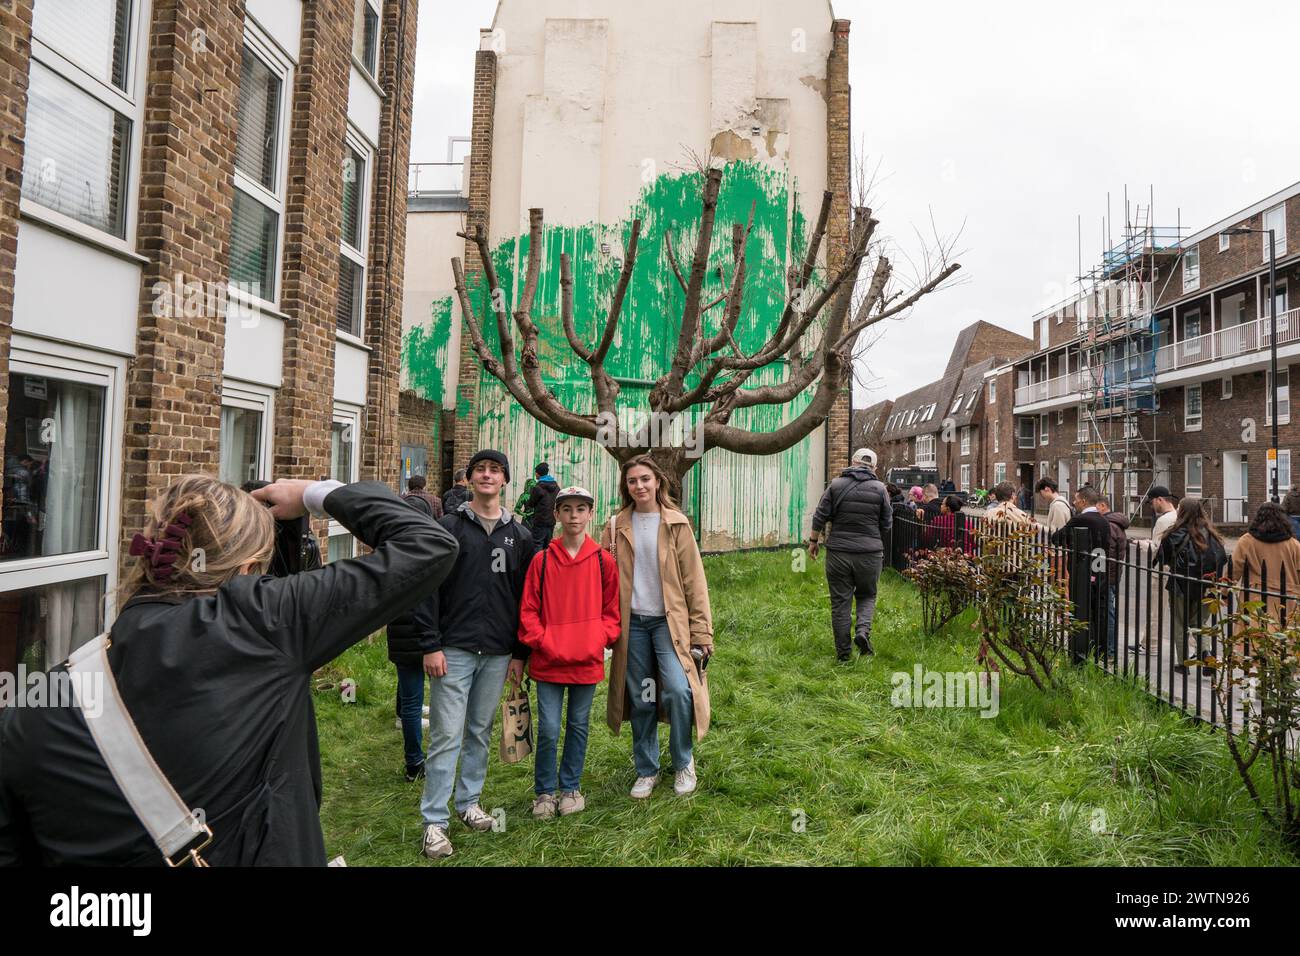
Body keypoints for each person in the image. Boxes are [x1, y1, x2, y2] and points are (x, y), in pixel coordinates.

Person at [0, 475, 458, 865]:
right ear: (247, 568)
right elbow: (429, 546)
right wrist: (317, 492)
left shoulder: (32, 707)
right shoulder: (258, 624)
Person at [419, 450, 532, 860]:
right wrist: (430, 643)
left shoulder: (518, 536)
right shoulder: (447, 528)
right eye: (480, 470)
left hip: (499, 651)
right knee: (447, 734)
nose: (487, 475)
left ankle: (468, 803)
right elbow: (426, 587)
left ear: (505, 480)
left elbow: (524, 599)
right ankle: (434, 821)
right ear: (469, 479)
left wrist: (520, 653)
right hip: (453, 649)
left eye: (495, 470)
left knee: (480, 732)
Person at [601, 454, 712, 800]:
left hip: (668, 624)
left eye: (645, 479)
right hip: (632, 626)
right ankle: (646, 769)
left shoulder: (676, 523)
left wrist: (702, 632)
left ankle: (683, 761)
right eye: (632, 481)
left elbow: (695, 582)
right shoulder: (616, 525)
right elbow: (604, 579)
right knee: (642, 697)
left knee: (679, 690)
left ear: (658, 482)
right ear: (626, 487)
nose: (639, 486)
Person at [517, 486, 620, 820]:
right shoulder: (542, 560)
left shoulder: (604, 562)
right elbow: (529, 611)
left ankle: (570, 788)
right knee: (548, 728)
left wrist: (597, 639)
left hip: (586, 660)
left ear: (591, 514)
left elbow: (612, 612)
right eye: (567, 510)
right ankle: (544, 793)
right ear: (556, 515)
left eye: (581, 509)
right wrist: (543, 640)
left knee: (577, 725)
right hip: (548, 661)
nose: (574, 516)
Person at [808, 448, 892, 661]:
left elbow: (820, 515)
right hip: (870, 553)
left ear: (852, 462)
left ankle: (843, 654)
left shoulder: (835, 486)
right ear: (874, 467)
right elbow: (887, 524)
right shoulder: (881, 490)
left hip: (839, 553)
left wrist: (813, 542)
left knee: (840, 602)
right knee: (867, 595)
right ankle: (863, 631)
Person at [1157, 498, 1227, 675]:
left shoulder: (1174, 533)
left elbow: (1163, 558)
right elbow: (1222, 559)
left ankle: (1183, 663)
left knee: (1180, 623)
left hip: (1181, 585)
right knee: (1200, 623)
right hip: (1207, 587)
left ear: (1182, 512)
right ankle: (1206, 654)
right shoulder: (1212, 535)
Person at [1050, 486, 1111, 662]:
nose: (1074, 502)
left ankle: (1080, 650)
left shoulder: (1080, 519)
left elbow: (1057, 538)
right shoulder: (1103, 520)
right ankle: (1100, 651)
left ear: (1084, 501)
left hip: (1082, 571)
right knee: (1099, 612)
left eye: (1076, 499)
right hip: (1100, 570)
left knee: (1081, 611)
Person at [1231, 501, 1300, 624]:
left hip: (1255, 597)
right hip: (1287, 597)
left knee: (1254, 638)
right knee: (1283, 637)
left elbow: (1234, 570)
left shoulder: (1247, 541)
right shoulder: (1293, 544)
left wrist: (1224, 593)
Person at [1096, 497, 1130, 657]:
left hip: (1107, 577)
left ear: (1103, 506)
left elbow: (1106, 555)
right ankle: (1109, 646)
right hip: (1115, 575)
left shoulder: (1108, 525)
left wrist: (1100, 577)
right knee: (1109, 610)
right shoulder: (1117, 524)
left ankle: (1109, 649)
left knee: (1108, 612)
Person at [523, 462, 560, 548]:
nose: (535, 474)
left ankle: (538, 561)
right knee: (548, 545)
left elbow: (531, 504)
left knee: (537, 544)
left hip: (540, 521)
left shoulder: (538, 487)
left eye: (536, 472)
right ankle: (546, 561)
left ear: (539, 473)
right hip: (551, 520)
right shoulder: (556, 487)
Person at [1144, 486, 1178, 551]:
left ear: (1159, 499)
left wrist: (1141, 544)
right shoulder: (1178, 516)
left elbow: (1155, 549)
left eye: (1151, 503)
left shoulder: (1163, 520)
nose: (1151, 506)